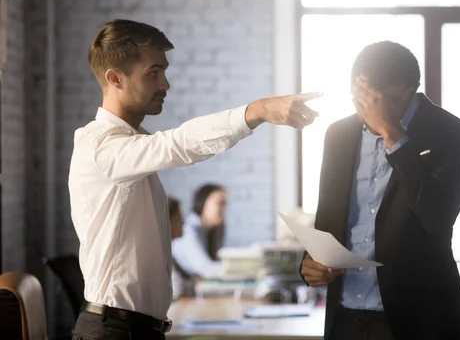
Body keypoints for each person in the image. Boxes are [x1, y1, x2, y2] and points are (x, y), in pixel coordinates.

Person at [69, 19, 320, 340]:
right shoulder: (101, 146)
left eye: (164, 71)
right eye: (153, 73)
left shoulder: (128, 145)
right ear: (115, 78)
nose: (165, 84)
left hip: (135, 329)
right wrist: (257, 111)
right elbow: (179, 143)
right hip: (114, 331)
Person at [299, 41, 460, 340]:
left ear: (408, 93)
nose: (367, 111)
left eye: (379, 102)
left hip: (420, 319)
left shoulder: (456, 135)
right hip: (346, 316)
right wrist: (310, 263)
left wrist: (393, 135)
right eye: (359, 100)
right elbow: (329, 222)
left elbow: (437, 217)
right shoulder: (338, 135)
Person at [172, 184, 228, 278]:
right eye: (220, 203)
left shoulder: (208, 231)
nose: (224, 209)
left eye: (225, 204)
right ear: (203, 202)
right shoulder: (189, 231)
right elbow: (205, 268)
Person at [168, 196, 196, 300]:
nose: (183, 223)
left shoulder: (169, 251)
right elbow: (176, 289)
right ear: (167, 222)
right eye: (179, 219)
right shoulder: (158, 256)